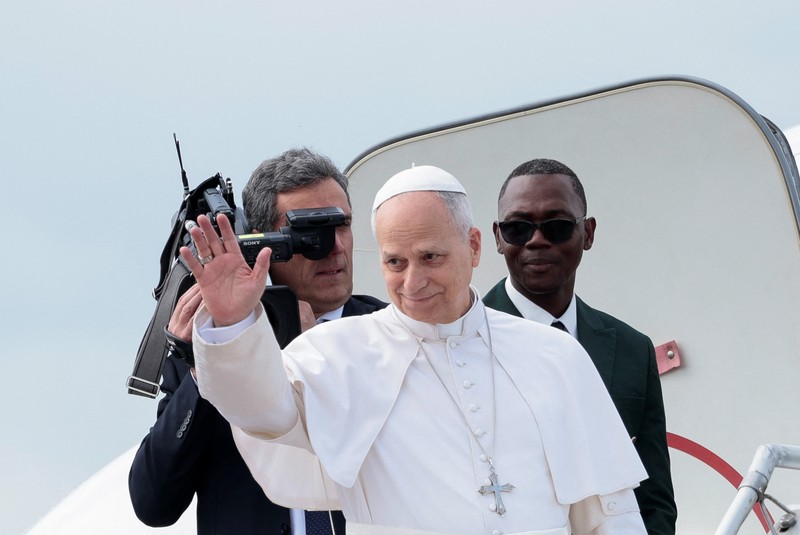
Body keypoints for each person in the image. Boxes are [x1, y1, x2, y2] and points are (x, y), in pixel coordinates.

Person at [182, 164, 649, 535]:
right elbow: (263, 413)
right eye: (394, 262)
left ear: (473, 246)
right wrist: (234, 322)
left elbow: (609, 513)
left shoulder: (555, 357)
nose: (413, 281)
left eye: (431, 258)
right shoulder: (336, 354)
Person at [128, 148, 386, 534]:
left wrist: (328, 363)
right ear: (261, 242)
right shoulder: (216, 345)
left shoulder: (390, 333)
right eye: (309, 231)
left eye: (342, 225)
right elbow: (153, 503)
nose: (333, 247)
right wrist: (210, 366)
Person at [483, 158, 677, 535]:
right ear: (497, 237)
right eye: (518, 228)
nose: (537, 240)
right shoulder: (460, 338)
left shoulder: (632, 349)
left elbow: (653, 499)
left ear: (587, 233)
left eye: (556, 226)